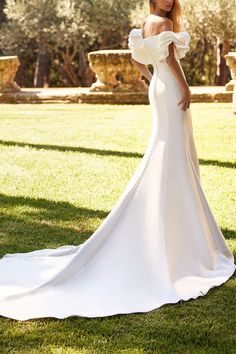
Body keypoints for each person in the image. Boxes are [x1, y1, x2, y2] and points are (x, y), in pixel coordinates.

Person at [0, 0, 235, 321]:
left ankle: (175, 222)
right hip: (170, 88)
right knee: (172, 150)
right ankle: (179, 233)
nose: (169, 1)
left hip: (160, 88)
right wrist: (183, 87)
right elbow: (168, 59)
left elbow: (141, 61)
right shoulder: (163, 25)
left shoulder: (144, 25)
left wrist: (154, 79)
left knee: (169, 148)